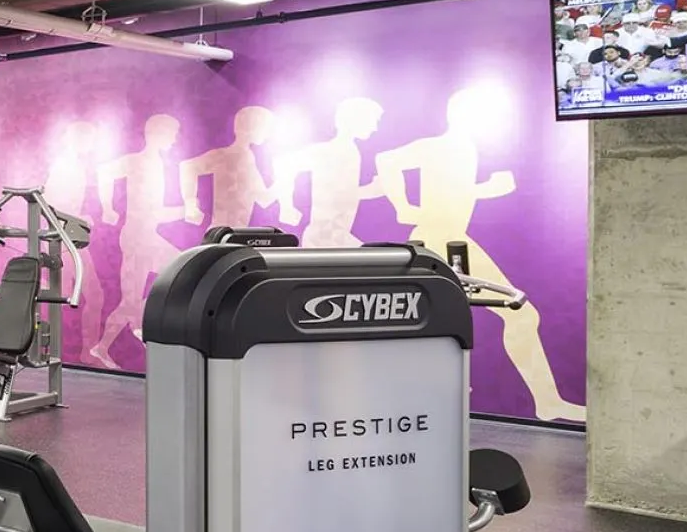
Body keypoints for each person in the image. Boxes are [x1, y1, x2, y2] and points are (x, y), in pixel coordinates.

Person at [375, 88, 584, 422]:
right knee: (517, 315)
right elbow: (386, 161)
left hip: (453, 238)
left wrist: (486, 189)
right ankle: (544, 402)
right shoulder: (440, 146)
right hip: (437, 240)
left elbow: (450, 193)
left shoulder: (464, 149)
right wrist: (403, 207)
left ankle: (545, 402)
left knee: (514, 316)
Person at [89, 115, 188, 365]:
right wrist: (108, 208)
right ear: (157, 133)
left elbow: (153, 212)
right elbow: (104, 172)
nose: (175, 140)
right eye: (172, 134)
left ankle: (137, 320)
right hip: (137, 237)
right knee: (132, 299)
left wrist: (183, 211)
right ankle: (105, 345)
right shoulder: (139, 162)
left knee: (182, 271)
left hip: (148, 235)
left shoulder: (156, 164)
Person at [274, 98, 388, 248]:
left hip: (335, 237)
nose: (375, 128)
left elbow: (338, 193)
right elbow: (284, 164)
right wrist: (372, 190)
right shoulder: (332, 151)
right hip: (324, 238)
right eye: (372, 120)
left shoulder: (349, 150)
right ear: (355, 119)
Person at [179, 105, 280, 231]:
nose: (268, 135)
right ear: (252, 128)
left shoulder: (247, 157)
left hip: (236, 233)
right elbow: (187, 167)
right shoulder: (226, 155)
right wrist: (190, 203)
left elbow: (263, 199)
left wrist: (284, 180)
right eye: (266, 128)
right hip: (222, 234)